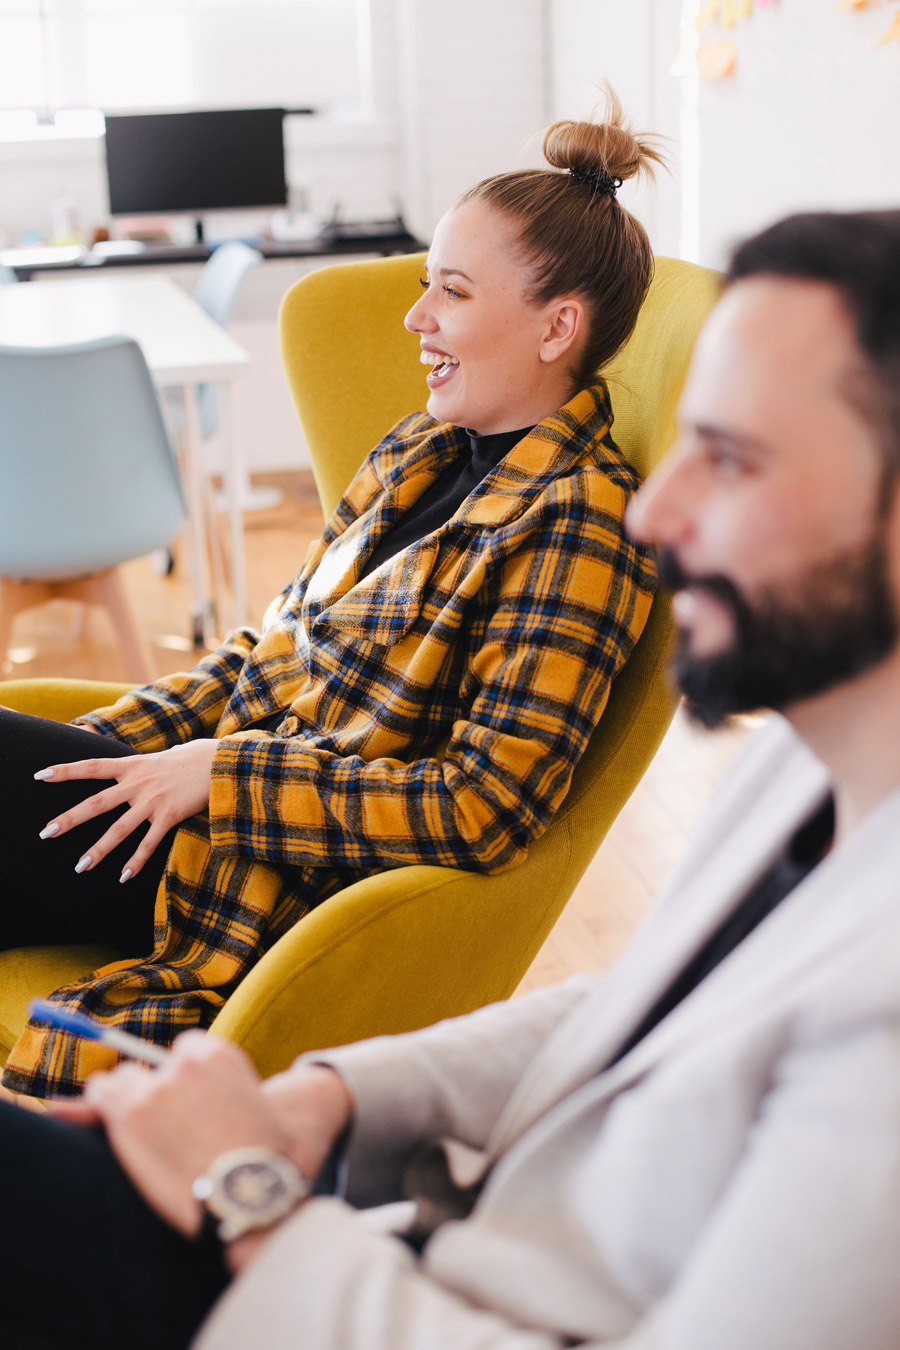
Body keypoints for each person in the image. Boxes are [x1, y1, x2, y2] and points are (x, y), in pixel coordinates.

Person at [4, 205, 900, 1350]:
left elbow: (482, 802)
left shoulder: (883, 1040)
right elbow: (643, 1003)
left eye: (730, 458)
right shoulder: (803, 769)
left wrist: (249, 1197)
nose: (658, 510)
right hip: (384, 1245)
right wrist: (333, 1097)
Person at [0, 95, 663, 1098]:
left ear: (556, 326)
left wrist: (226, 778)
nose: (416, 317)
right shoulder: (418, 449)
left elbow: (487, 806)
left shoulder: (579, 527)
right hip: (197, 810)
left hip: (263, 870)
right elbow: (275, 648)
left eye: (451, 292)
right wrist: (118, 745)